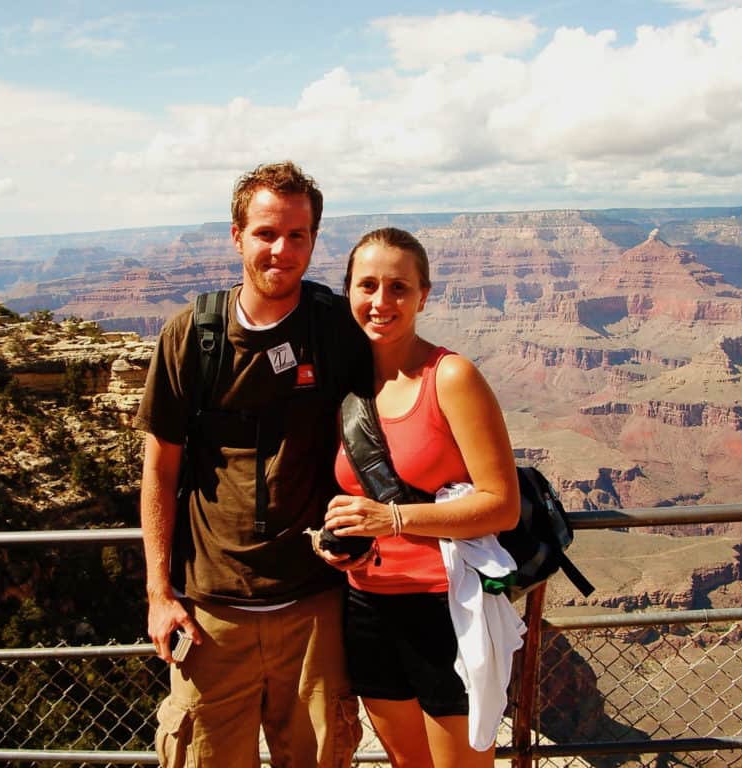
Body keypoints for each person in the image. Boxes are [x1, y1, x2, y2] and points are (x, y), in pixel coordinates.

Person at [135, 161, 370, 768]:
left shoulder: (337, 331)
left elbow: (387, 429)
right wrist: (159, 592)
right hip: (212, 614)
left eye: (298, 235)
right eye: (267, 232)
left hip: (315, 608)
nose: (282, 250)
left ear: (314, 240)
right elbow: (158, 469)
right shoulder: (192, 335)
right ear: (237, 235)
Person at [315, 227, 521, 768]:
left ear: (423, 295)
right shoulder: (343, 384)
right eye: (368, 286)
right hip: (366, 606)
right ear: (349, 293)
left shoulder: (451, 376)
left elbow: (503, 503)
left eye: (399, 288)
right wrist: (334, 542)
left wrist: (395, 518)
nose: (382, 302)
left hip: (442, 607)